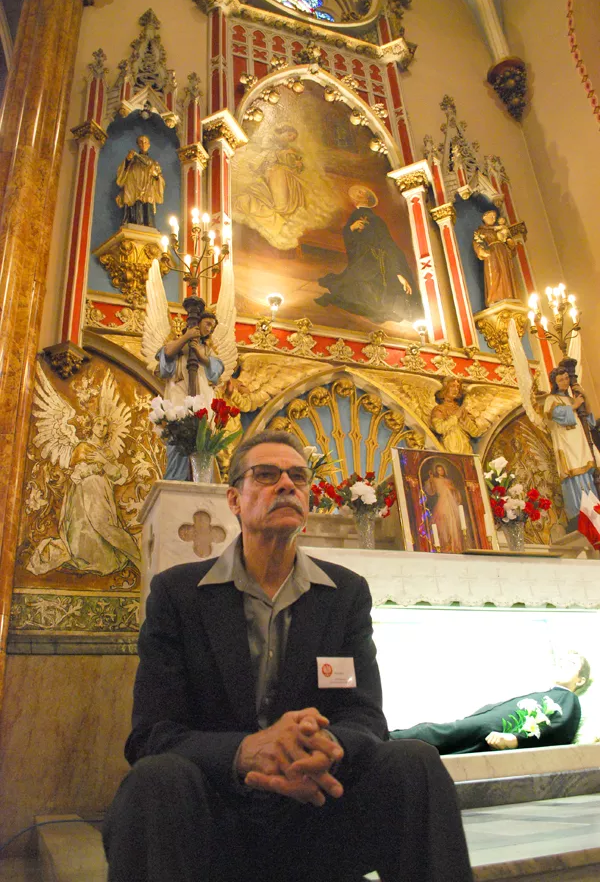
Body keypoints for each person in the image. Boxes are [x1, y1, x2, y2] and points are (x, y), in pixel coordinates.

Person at [103, 430, 473, 882]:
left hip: (316, 811)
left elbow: (365, 717)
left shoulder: (345, 594)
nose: (286, 484)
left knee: (415, 762)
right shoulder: (178, 594)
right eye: (265, 475)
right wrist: (246, 752)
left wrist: (326, 751)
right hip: (214, 814)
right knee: (156, 779)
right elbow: (152, 735)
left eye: (298, 476)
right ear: (234, 500)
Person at [390, 652, 589, 754]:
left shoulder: (568, 699)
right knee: (444, 737)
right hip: (490, 724)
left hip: (499, 729)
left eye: (571, 664)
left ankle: (383, 739)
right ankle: (386, 743)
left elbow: (560, 731)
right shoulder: (548, 694)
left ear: (580, 680)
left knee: (437, 733)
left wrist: (515, 739)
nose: (562, 665)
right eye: (561, 661)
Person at [27, 416, 140, 575]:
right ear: (91, 426)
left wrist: (103, 461)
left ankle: (106, 556)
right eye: (98, 424)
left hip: (103, 493)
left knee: (103, 524)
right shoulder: (82, 447)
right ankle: (88, 556)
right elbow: (76, 474)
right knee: (87, 526)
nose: (101, 428)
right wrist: (94, 470)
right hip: (83, 494)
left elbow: (118, 475)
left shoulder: (107, 451)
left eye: (105, 425)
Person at [316, 185, 421, 324]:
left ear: (368, 198)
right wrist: (351, 228)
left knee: (367, 288)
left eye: (364, 192)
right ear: (354, 199)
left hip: (377, 261)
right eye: (358, 193)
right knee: (356, 284)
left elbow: (388, 245)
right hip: (363, 260)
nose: (360, 194)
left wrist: (398, 273)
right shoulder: (354, 216)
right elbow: (351, 239)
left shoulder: (377, 221)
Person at [156, 312, 224, 481]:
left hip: (202, 402)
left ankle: (201, 483)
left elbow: (216, 370)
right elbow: (166, 357)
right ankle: (175, 482)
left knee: (202, 450)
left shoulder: (208, 351)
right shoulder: (177, 347)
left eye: (212, 326)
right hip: (178, 402)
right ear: (198, 322)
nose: (210, 329)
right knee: (177, 448)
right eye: (207, 323)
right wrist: (186, 337)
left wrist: (200, 355)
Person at [544, 366, 599, 523]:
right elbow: (554, 414)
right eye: (561, 379)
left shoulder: (572, 398)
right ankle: (578, 513)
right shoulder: (551, 399)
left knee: (587, 472)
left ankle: (594, 508)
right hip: (566, 444)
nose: (565, 382)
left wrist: (584, 396)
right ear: (554, 382)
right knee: (573, 473)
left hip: (580, 442)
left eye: (566, 378)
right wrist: (574, 406)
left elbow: (589, 420)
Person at [472, 208, 520, 305]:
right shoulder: (480, 231)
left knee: (506, 272)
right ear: (484, 218)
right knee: (494, 273)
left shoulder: (499, 229)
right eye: (491, 216)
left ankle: (509, 295)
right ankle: (495, 297)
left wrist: (510, 242)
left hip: (503, 252)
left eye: (494, 217)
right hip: (492, 253)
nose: (493, 219)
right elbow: (476, 243)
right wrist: (482, 251)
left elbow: (510, 245)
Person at [116, 134, 165, 227]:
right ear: (138, 144)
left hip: (147, 190)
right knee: (133, 205)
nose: (143, 144)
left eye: (145, 142)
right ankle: (133, 221)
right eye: (141, 142)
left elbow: (160, 180)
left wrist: (156, 175)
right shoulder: (132, 160)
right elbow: (122, 173)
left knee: (147, 206)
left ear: (149, 145)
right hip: (133, 189)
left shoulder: (153, 163)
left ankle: (148, 223)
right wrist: (128, 159)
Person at [430, 377, 485, 454]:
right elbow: (439, 429)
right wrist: (455, 417)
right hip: (449, 448)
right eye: (452, 386)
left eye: (458, 387)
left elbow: (475, 433)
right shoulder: (439, 409)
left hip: (466, 450)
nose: (456, 389)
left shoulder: (462, 410)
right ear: (446, 388)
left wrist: (464, 419)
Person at [424, 463, 466, 552]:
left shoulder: (448, 481)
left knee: (453, 521)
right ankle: (445, 544)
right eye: (439, 470)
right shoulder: (435, 480)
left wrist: (452, 489)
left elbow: (455, 492)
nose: (441, 471)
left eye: (442, 469)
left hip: (451, 502)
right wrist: (431, 478)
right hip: (442, 501)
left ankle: (454, 544)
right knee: (442, 521)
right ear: (436, 471)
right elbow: (432, 490)